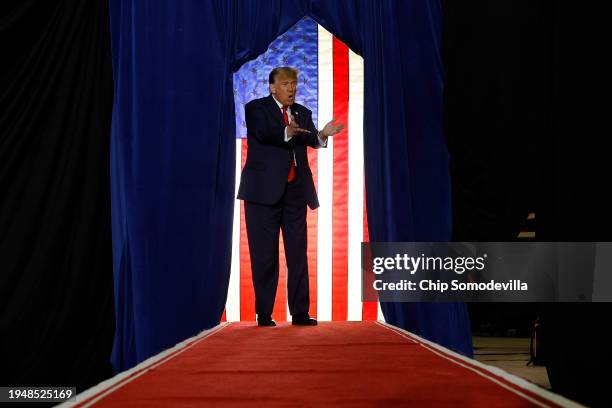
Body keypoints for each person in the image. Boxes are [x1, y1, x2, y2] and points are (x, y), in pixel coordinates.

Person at [237, 67, 344, 326]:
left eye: (294, 84)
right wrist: (287, 131)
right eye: (286, 84)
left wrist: (322, 135)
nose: (292, 89)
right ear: (273, 87)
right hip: (262, 193)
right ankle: (264, 313)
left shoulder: (301, 113)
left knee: (298, 253)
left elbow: (311, 140)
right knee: (265, 255)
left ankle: (299, 312)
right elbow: (264, 133)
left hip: (295, 192)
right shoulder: (256, 109)